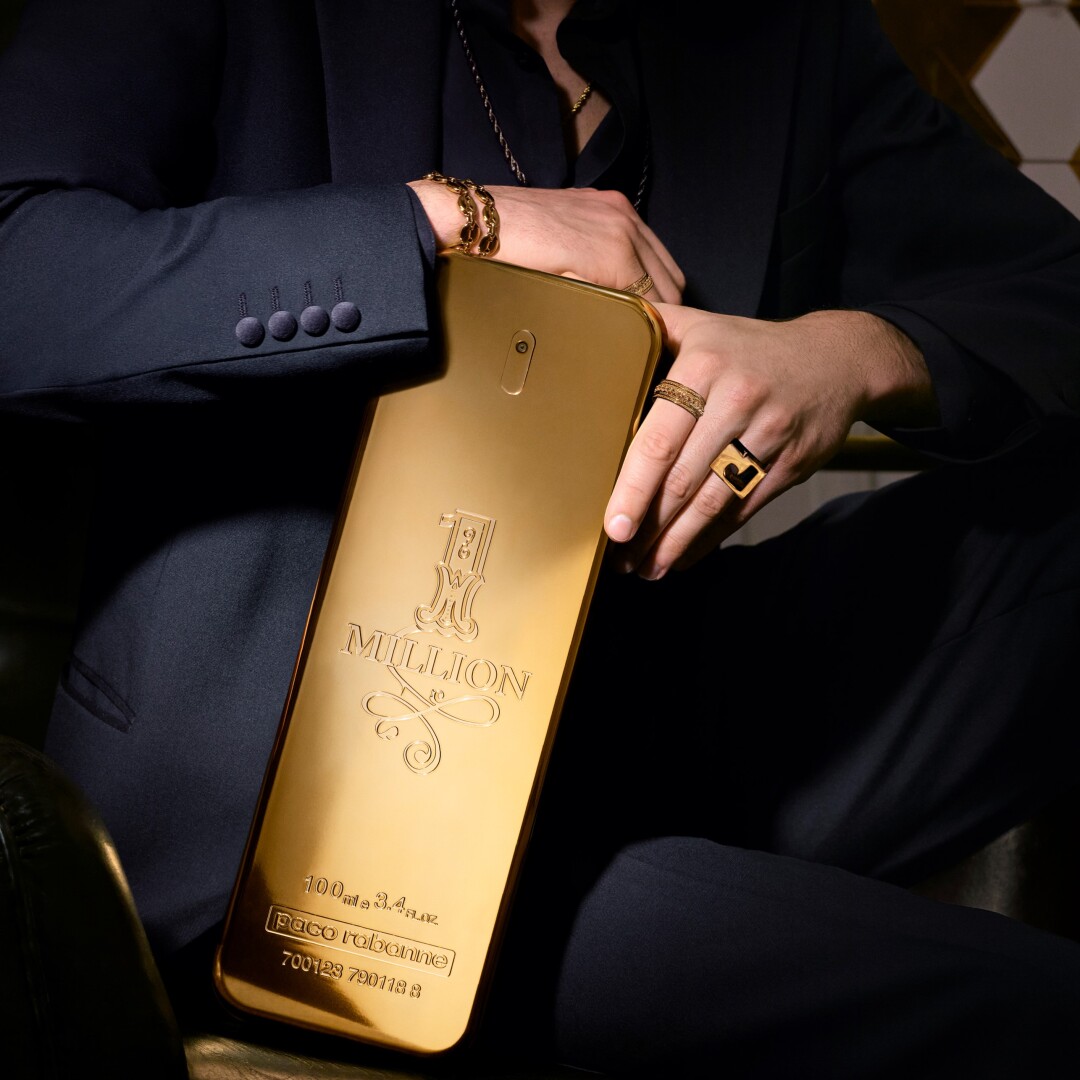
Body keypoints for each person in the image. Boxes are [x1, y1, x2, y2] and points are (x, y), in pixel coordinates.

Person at [1, 0, 1079, 1075]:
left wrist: (854, 353)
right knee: (1031, 1008)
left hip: (646, 724)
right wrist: (445, 221)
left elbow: (1053, 290)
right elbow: (20, 278)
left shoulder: (785, 36)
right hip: (283, 820)